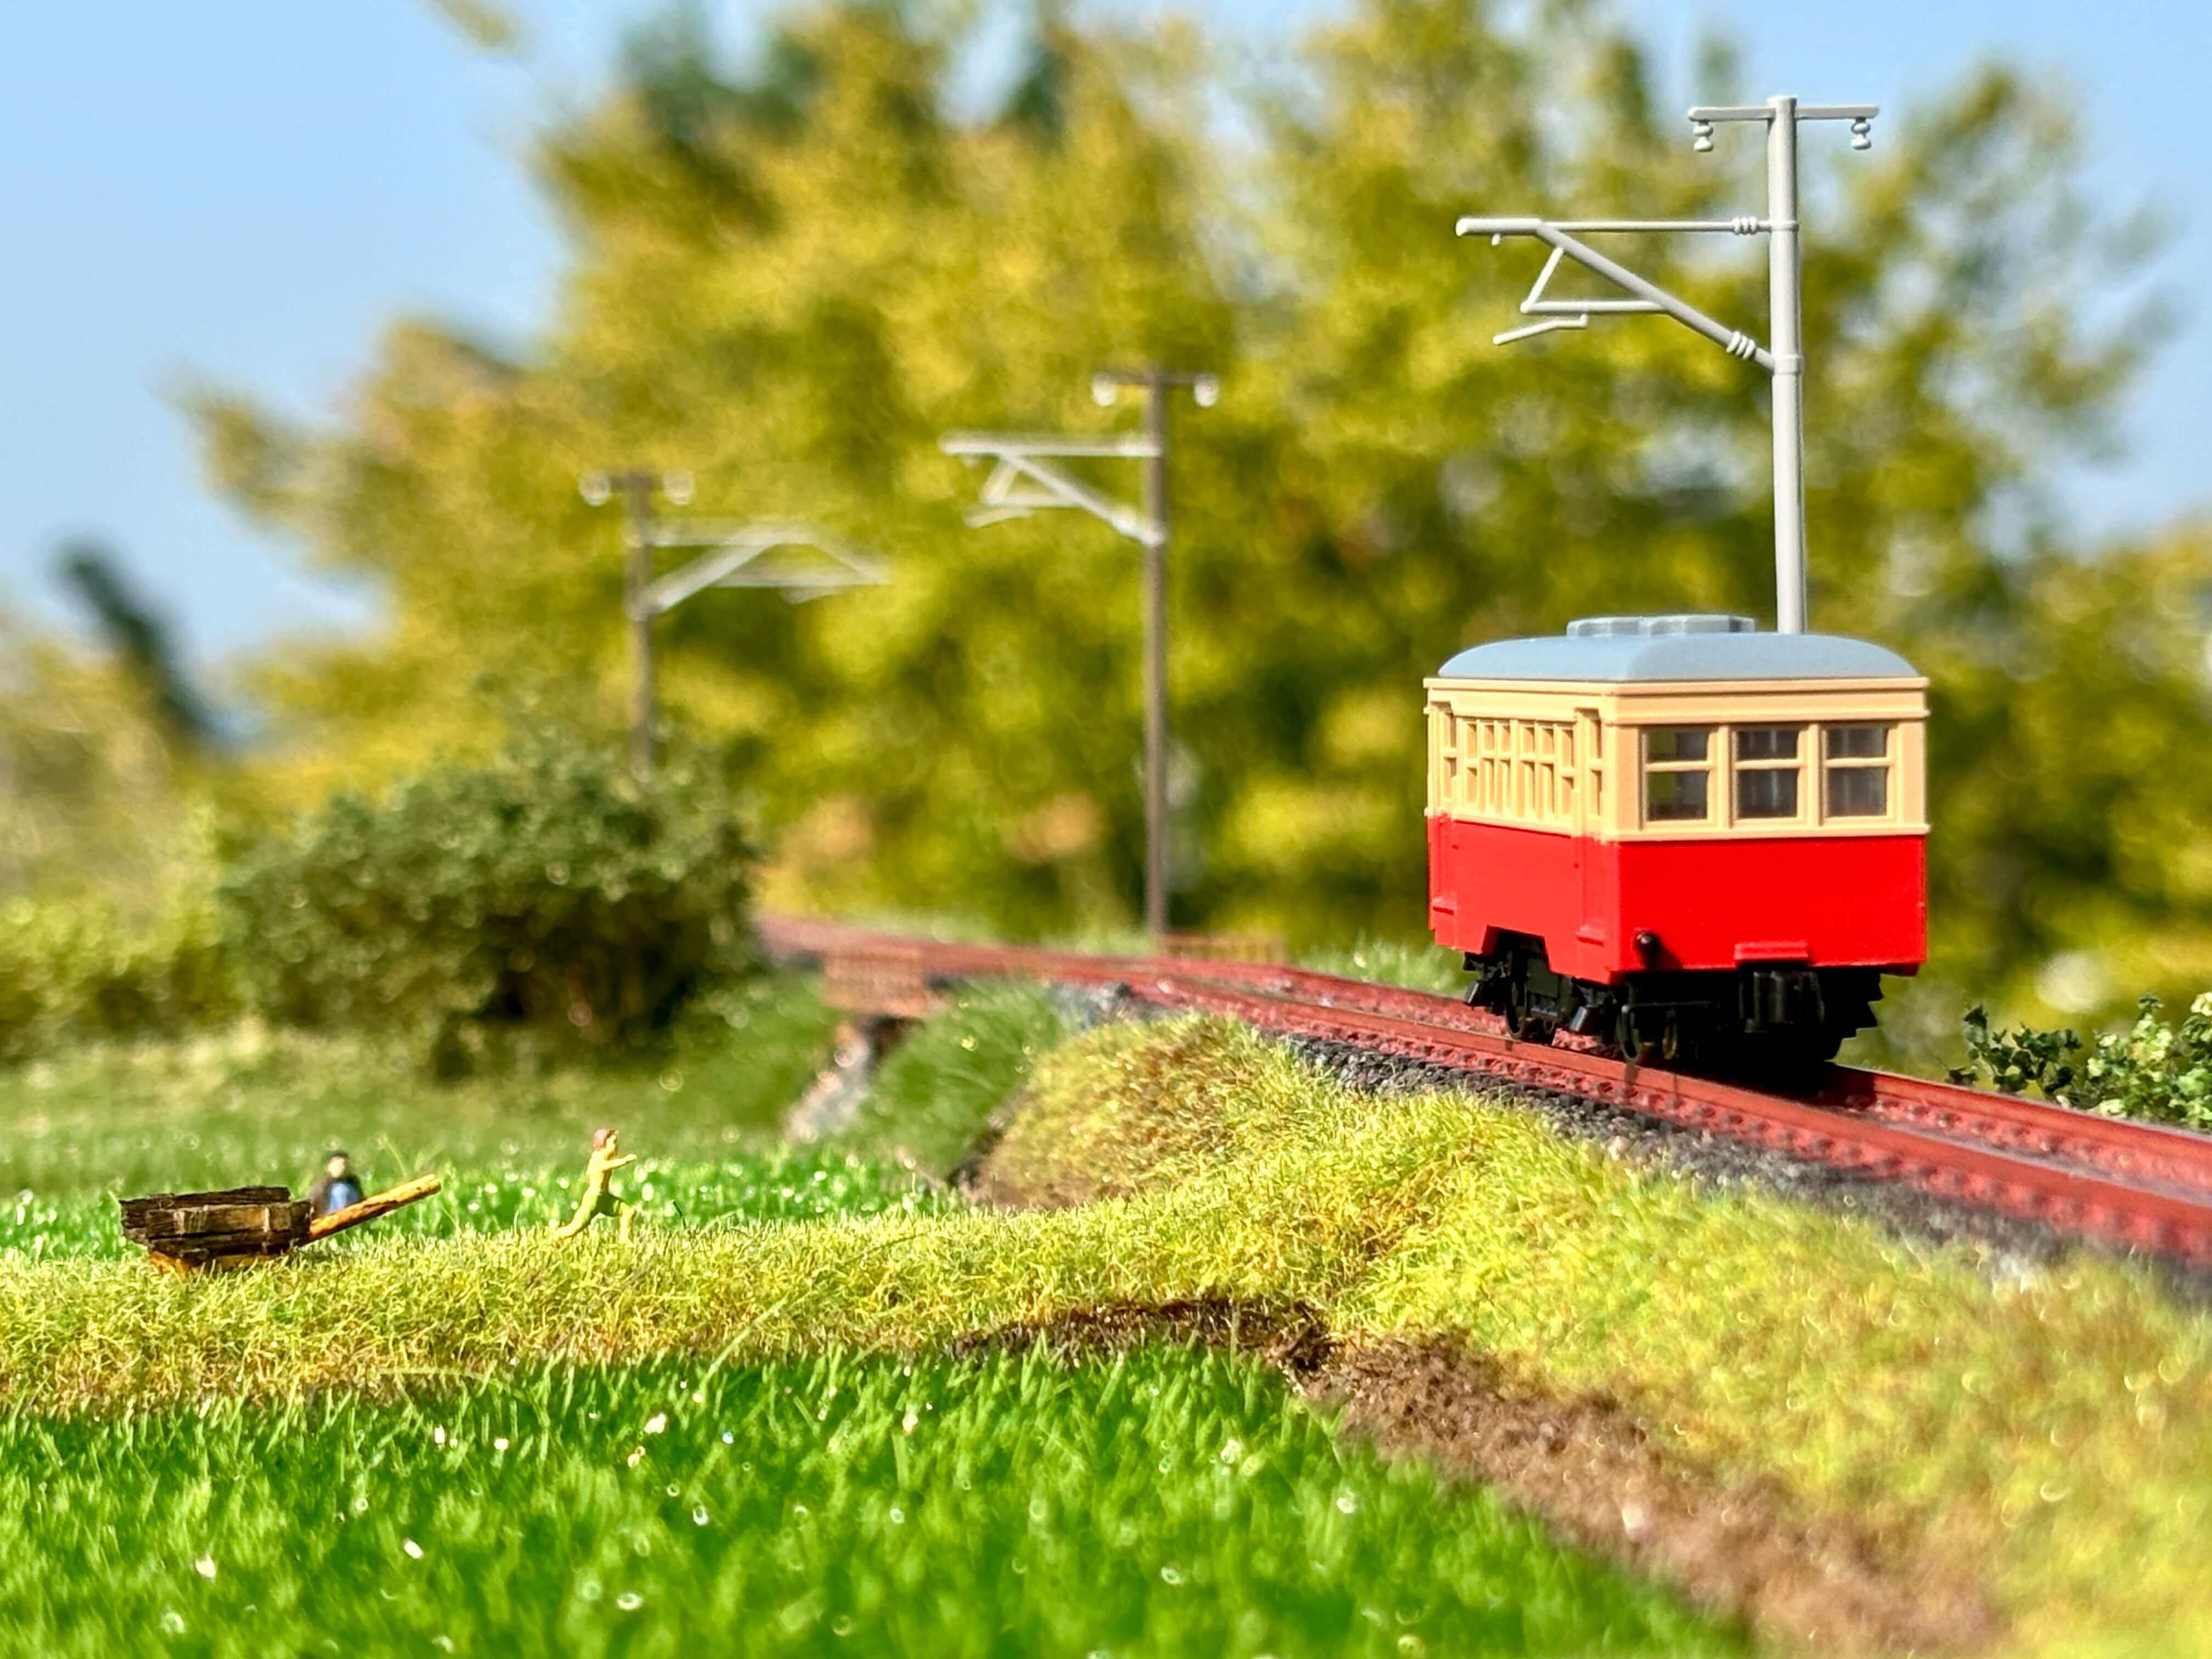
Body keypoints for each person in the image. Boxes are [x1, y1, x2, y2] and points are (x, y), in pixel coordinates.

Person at [551, 1127, 637, 1241]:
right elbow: (606, 1166)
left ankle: (625, 1241)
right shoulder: (597, 1160)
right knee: (576, 1227)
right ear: (604, 1144)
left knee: (628, 1211)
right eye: (614, 1142)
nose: (617, 1146)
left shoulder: (603, 1158)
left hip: (605, 1198)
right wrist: (625, 1160)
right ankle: (556, 1237)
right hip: (594, 1199)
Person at [307, 1150, 365, 1216]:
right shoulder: (321, 1187)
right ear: (328, 1168)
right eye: (338, 1165)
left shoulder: (354, 1183)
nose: (343, 1168)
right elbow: (310, 1206)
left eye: (345, 1165)